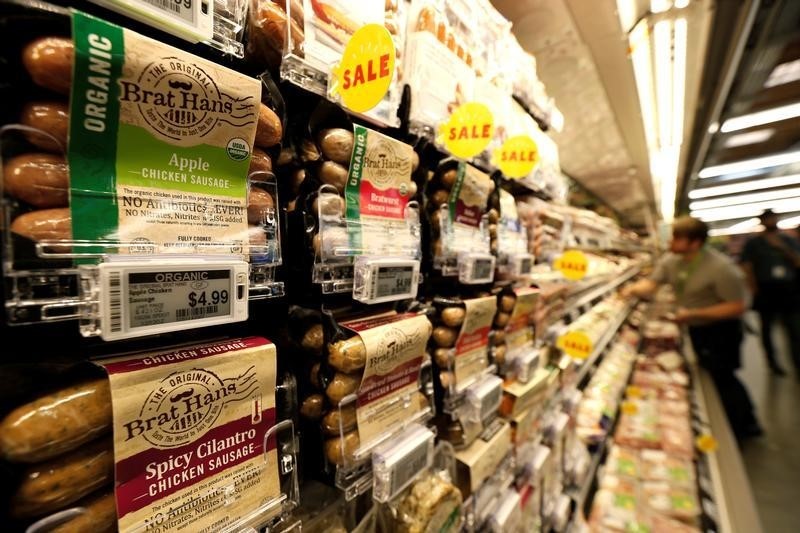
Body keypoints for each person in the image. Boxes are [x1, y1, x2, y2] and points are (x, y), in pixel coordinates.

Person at [623, 216, 762, 439]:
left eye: (677, 238)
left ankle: (746, 425)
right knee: (708, 373)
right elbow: (651, 284)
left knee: (724, 377)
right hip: (694, 327)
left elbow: (737, 307)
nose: (670, 242)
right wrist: (630, 289)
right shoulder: (671, 261)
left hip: (721, 331)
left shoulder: (721, 268)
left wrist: (694, 314)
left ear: (695, 243)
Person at [740, 209, 800, 376]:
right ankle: (773, 363)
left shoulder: (788, 240)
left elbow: (798, 261)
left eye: (772, 218)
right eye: (767, 219)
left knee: (794, 328)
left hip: (788, 289)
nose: (770, 221)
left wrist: (782, 248)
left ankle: (797, 362)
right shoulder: (753, 243)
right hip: (765, 290)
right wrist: (753, 289)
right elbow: (746, 266)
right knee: (767, 330)